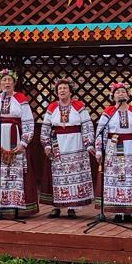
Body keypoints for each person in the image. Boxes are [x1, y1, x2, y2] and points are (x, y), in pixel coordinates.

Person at [0, 69, 38, 218]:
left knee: (12, 173)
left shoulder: (20, 98)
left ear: (14, 82)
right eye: (4, 80)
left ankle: (14, 208)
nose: (7, 83)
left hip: (14, 137)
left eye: (9, 80)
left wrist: (24, 142)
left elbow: (28, 122)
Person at [39, 79, 94, 218]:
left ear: (70, 91)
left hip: (76, 143)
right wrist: (46, 144)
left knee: (74, 175)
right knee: (58, 176)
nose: (62, 91)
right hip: (57, 143)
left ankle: (72, 207)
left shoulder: (78, 106)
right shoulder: (52, 107)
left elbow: (87, 125)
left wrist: (89, 144)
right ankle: (56, 207)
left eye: (64, 88)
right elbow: (45, 127)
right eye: (59, 89)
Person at [93, 82, 132, 222]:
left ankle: (128, 212)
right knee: (116, 179)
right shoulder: (108, 112)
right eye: (118, 92)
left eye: (123, 91)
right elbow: (100, 131)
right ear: (113, 96)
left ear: (128, 95)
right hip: (113, 147)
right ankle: (117, 211)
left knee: (130, 179)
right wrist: (99, 149)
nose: (121, 94)